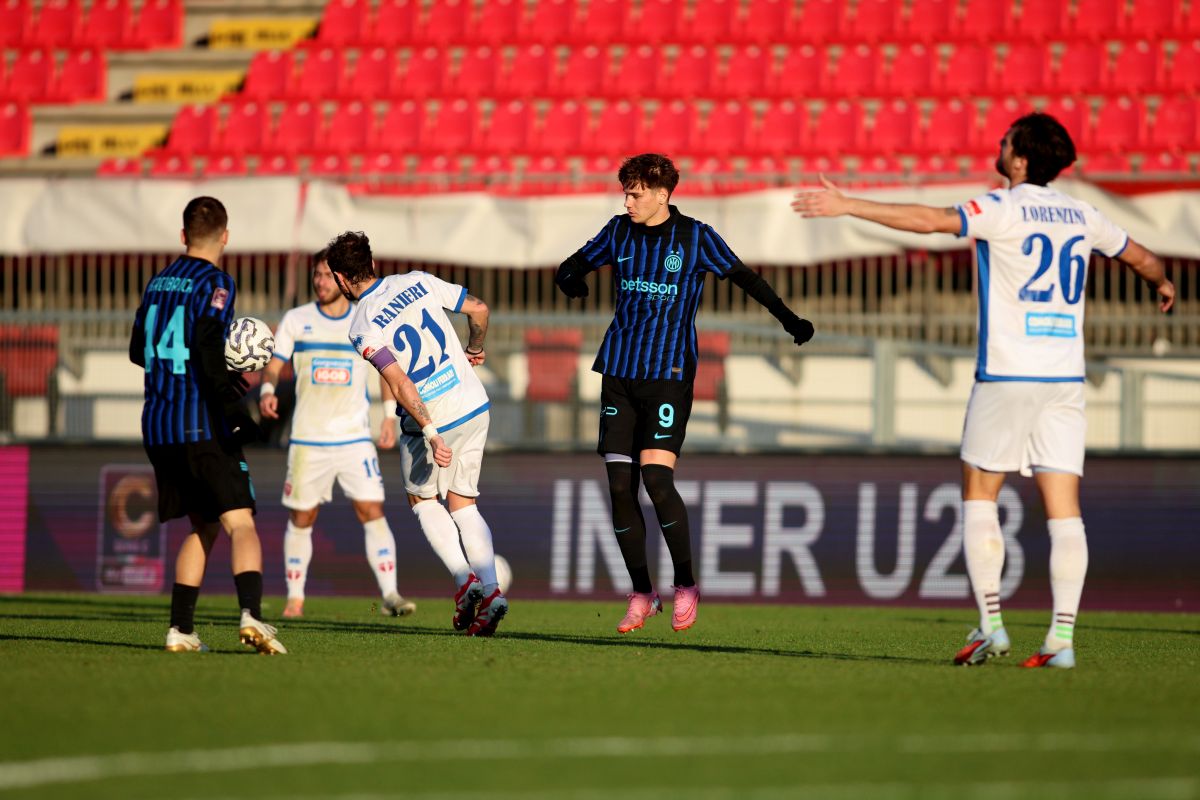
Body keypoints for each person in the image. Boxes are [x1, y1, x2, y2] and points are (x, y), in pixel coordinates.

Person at [793, 112, 1175, 669]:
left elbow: (929, 220)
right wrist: (1162, 283)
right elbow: (1143, 258)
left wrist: (849, 204)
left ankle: (992, 624)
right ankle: (1061, 639)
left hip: (1007, 373)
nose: (999, 144)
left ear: (1019, 159)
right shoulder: (1083, 214)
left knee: (979, 494)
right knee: (1065, 511)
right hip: (1065, 380)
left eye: (1006, 141)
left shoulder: (1002, 206)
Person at [555, 153, 815, 634]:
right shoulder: (618, 231)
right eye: (625, 193)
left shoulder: (695, 237)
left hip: (669, 374)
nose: (627, 202)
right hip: (618, 371)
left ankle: (686, 585)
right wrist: (569, 280)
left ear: (662, 195)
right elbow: (571, 266)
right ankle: (641, 593)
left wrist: (789, 319)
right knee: (619, 487)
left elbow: (745, 277)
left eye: (635, 194)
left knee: (656, 481)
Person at [325, 231, 508, 637]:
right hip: (473, 404)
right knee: (463, 503)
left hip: (434, 415)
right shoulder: (417, 280)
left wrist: (431, 432)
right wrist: (474, 348)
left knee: (422, 499)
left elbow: (399, 381)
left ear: (340, 278)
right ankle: (492, 590)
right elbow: (479, 309)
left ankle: (465, 580)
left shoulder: (362, 324)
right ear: (372, 263)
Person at [129, 196, 287, 655]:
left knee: (204, 525)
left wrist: (191, 369)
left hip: (158, 428)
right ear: (226, 236)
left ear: (183, 235)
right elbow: (205, 341)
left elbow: (138, 350)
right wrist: (234, 407)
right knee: (241, 521)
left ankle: (180, 630)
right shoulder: (216, 282)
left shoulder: (157, 282)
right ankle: (252, 616)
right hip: (198, 422)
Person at [258, 249, 416, 619]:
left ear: (342, 279)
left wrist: (388, 417)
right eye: (316, 275)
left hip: (354, 438)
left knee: (371, 510)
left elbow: (384, 369)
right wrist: (267, 390)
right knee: (302, 517)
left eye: (327, 275)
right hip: (308, 439)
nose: (320, 281)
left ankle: (390, 594)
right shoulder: (297, 319)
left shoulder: (364, 319)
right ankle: (295, 598)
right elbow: (274, 365)